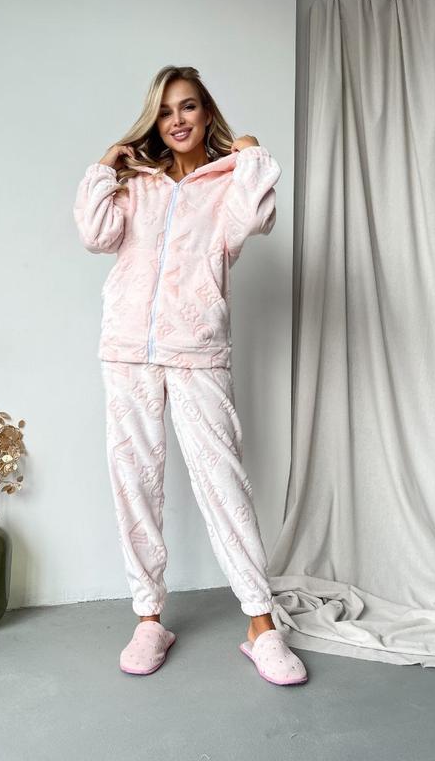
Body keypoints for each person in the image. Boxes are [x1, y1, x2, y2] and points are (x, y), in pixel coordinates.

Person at [73, 65, 307, 686]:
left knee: (223, 483)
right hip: (128, 349)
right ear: (155, 119)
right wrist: (105, 167)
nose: (177, 120)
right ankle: (148, 619)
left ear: (206, 113)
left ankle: (261, 626)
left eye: (188, 107)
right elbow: (95, 235)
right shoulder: (137, 185)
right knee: (134, 482)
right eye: (166, 110)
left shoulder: (228, 184)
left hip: (197, 349)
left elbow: (255, 219)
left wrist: (251, 154)